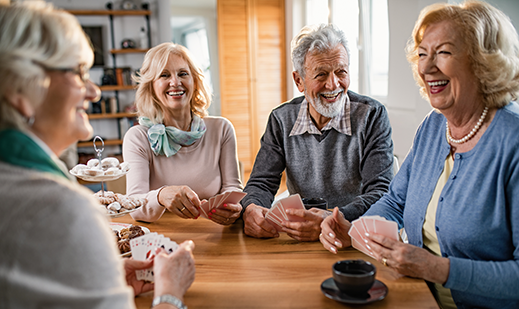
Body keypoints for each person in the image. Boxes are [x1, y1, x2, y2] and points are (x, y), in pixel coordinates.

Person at [320, 1, 519, 308]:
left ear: (483, 61)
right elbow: (396, 200)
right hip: (417, 299)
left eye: (443, 52)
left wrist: (437, 268)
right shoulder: (434, 125)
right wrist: (359, 231)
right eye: (423, 54)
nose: (426, 67)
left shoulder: (513, 141)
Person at [0, 3, 195, 308]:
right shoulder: (59, 208)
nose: (94, 92)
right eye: (78, 73)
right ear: (21, 89)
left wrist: (105, 278)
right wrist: (170, 291)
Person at [240, 24, 394, 242]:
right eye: (321, 74)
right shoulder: (281, 119)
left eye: (341, 72)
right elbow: (261, 182)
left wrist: (331, 219)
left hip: (354, 235)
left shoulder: (372, 116)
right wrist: (251, 208)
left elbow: (381, 193)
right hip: (300, 236)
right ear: (299, 81)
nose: (333, 84)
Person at [124, 42, 243, 225]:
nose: (175, 82)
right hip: (162, 238)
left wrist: (232, 209)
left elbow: (232, 188)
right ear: (151, 87)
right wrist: (161, 195)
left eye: (183, 74)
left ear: (195, 82)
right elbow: (135, 208)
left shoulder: (222, 129)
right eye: (164, 75)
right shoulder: (137, 137)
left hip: (214, 234)